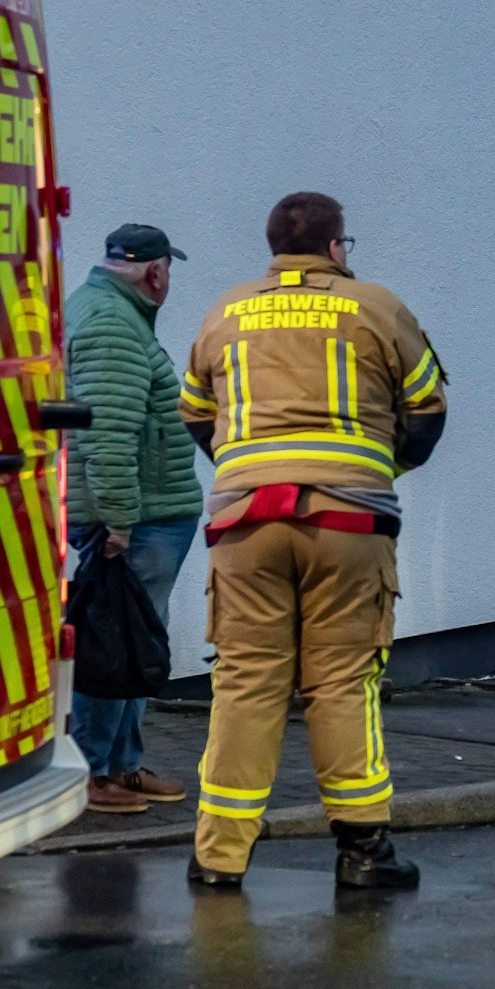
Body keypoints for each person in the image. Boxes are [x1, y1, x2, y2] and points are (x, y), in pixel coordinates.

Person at [178, 192, 447, 892]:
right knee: (341, 683)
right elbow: (427, 409)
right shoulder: (377, 308)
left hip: (244, 524)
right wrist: (380, 470)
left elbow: (194, 414)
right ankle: (363, 852)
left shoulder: (225, 312)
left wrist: (245, 472)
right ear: (336, 247)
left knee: (243, 683)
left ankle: (217, 858)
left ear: (274, 250)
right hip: (348, 523)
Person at [62, 224, 204, 814]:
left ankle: (120, 765)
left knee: (132, 642)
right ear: (155, 272)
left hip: (146, 516)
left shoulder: (108, 314)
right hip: (135, 520)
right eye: (168, 269)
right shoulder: (112, 328)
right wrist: (118, 521)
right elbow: (108, 436)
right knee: (111, 646)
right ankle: (94, 772)